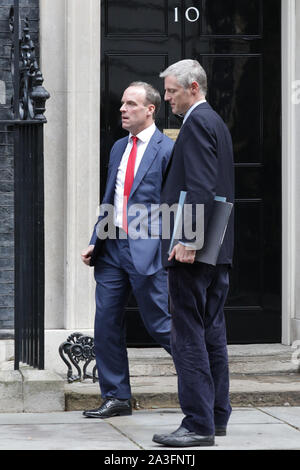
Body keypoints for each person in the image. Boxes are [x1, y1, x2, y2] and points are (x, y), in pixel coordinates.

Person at [152, 60, 234, 447]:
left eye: (171, 91)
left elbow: (200, 186)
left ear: (194, 88)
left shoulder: (198, 122)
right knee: (212, 332)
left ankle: (198, 423)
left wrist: (187, 240)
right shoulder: (215, 120)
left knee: (188, 335)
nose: (167, 98)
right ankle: (217, 416)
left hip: (195, 249)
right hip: (216, 249)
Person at [81, 82, 174, 419]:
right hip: (111, 249)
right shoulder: (118, 147)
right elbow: (112, 199)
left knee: (161, 324)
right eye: (122, 103)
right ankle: (116, 397)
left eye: (131, 104)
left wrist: (170, 248)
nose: (123, 109)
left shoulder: (167, 149)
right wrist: (96, 238)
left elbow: (174, 205)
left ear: (150, 109)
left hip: (148, 250)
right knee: (105, 323)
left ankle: (202, 385)